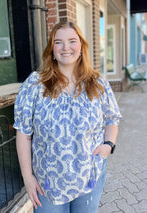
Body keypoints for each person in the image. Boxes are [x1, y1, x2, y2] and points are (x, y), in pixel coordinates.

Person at [13, 21, 122, 213]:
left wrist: (109, 145)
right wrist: (28, 178)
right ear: (51, 49)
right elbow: (23, 132)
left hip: (89, 175)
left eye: (72, 41)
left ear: (81, 46)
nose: (66, 48)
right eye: (58, 42)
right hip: (48, 183)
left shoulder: (97, 82)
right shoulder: (35, 85)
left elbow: (112, 118)